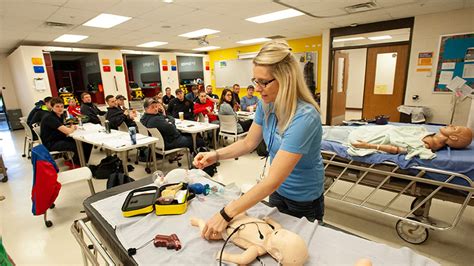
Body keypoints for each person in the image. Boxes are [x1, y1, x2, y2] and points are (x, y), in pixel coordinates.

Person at [193, 41, 324, 239]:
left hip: (304, 199)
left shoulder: (304, 117)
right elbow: (248, 143)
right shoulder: (267, 104)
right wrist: (216, 154)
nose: (258, 89)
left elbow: (271, 181)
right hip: (279, 192)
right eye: (256, 81)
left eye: (264, 82)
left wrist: (226, 213)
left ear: (286, 79)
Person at [323, 124, 473, 160]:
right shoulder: (427, 131)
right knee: (328, 128)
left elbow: (395, 149)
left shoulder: (424, 147)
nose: (450, 125)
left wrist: (367, 146)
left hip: (368, 138)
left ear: (453, 138)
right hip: (370, 131)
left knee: (322, 133)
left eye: (454, 128)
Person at [40, 97, 92, 166]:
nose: (60, 108)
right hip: (51, 143)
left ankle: (80, 162)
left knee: (86, 142)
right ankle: (77, 164)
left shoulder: (59, 115)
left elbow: (60, 127)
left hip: (59, 138)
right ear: (52, 107)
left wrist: (69, 128)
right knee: (77, 146)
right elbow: (68, 132)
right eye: (57, 106)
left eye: (62, 106)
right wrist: (72, 127)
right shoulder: (50, 117)